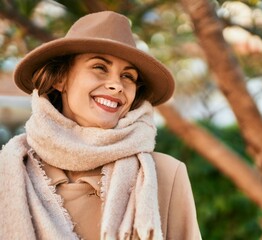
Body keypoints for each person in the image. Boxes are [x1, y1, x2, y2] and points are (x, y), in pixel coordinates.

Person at [0, 11, 201, 240]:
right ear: (60, 79)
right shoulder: (10, 172)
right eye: (100, 67)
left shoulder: (165, 175)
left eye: (128, 76)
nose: (116, 85)